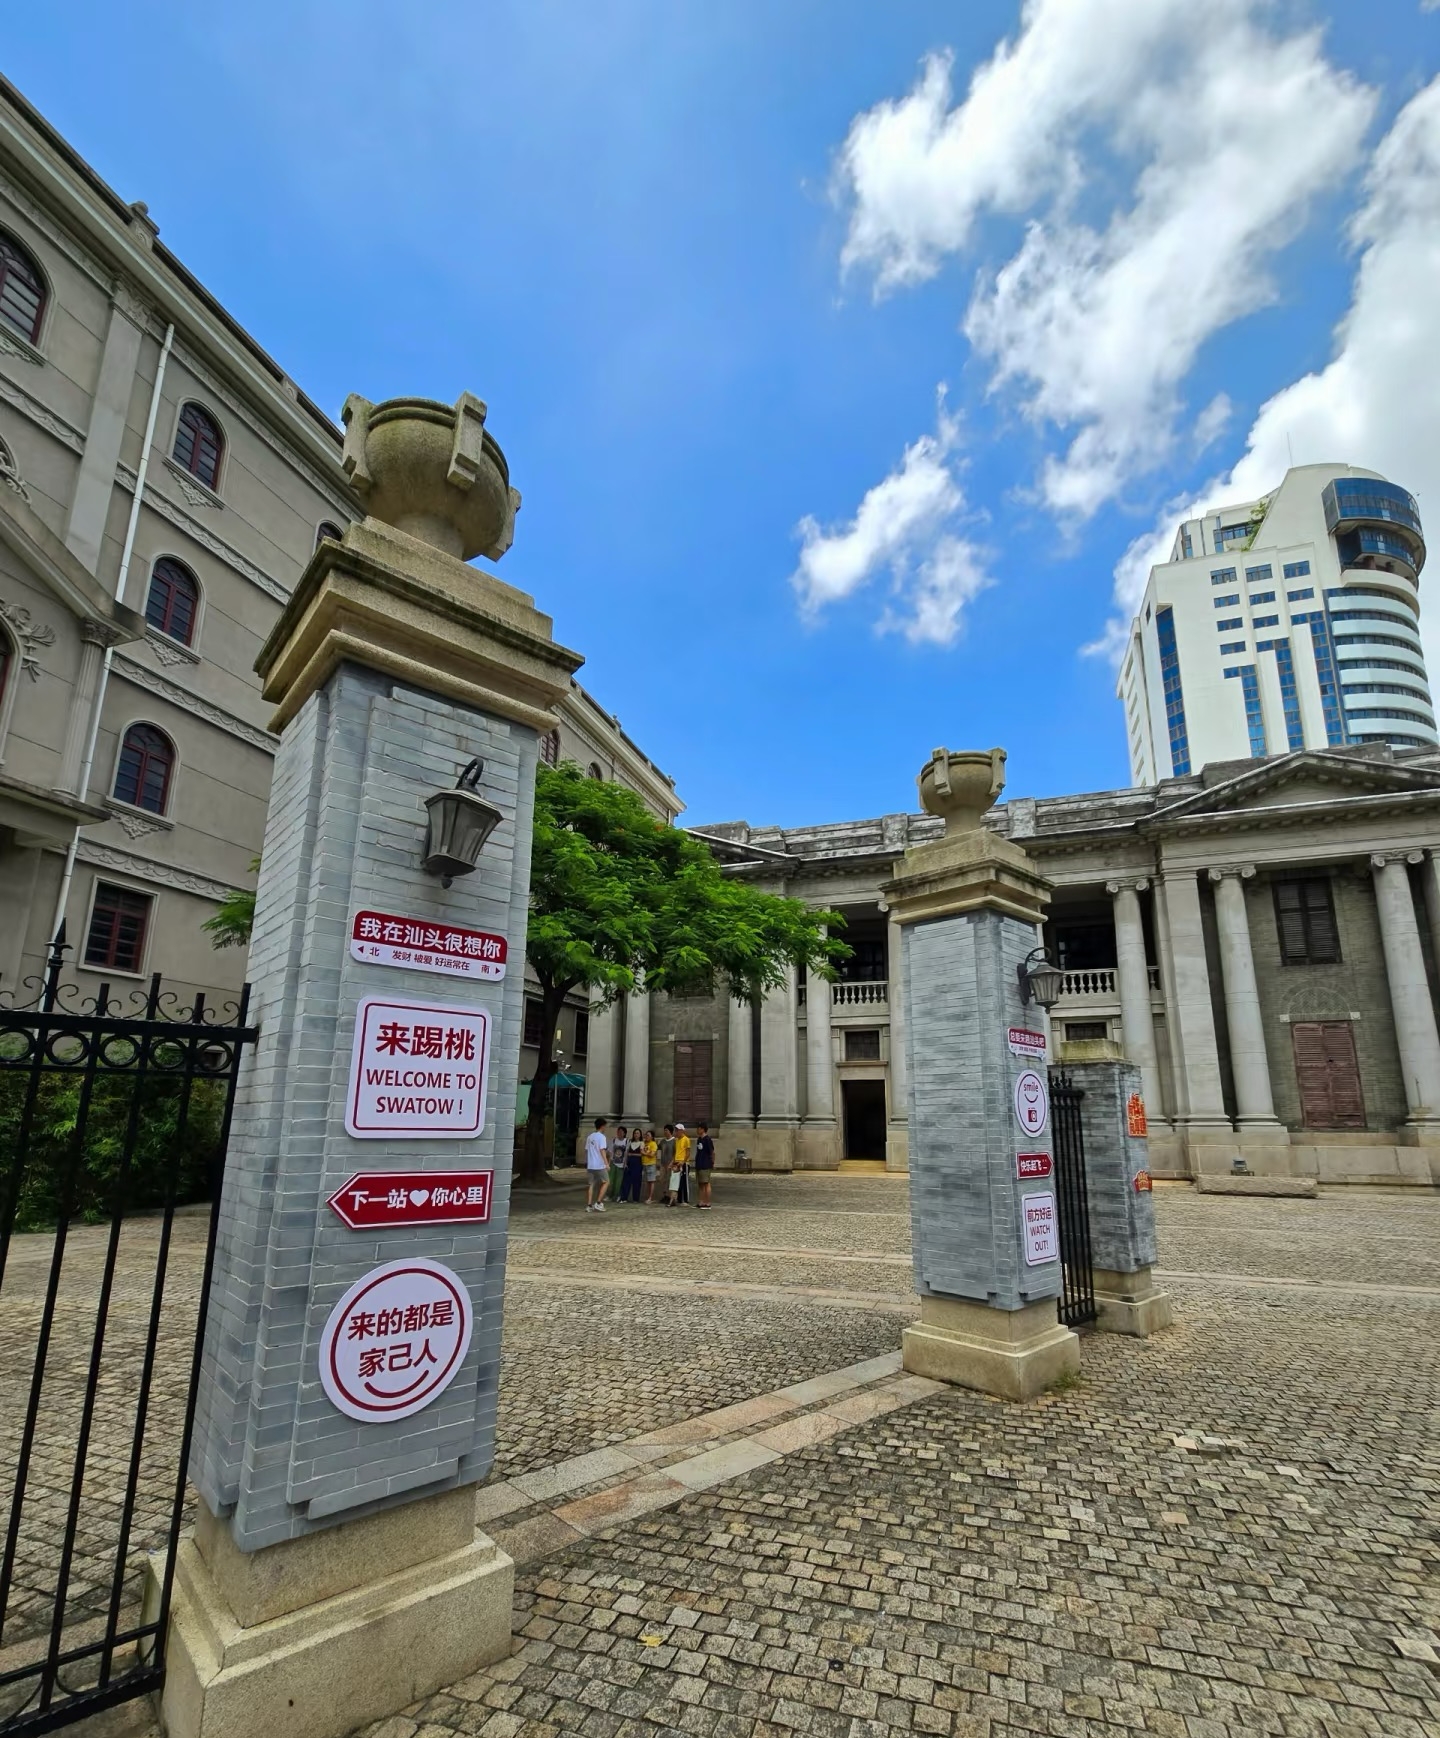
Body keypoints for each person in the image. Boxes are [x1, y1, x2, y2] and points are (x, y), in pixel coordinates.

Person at [584, 1118, 610, 1212]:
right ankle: (598, 1203)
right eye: (605, 1126)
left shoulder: (590, 1137)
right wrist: (606, 1164)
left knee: (591, 1184)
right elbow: (602, 1150)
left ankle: (589, 1205)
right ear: (602, 1126)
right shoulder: (602, 1137)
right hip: (599, 1165)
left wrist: (587, 1162)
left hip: (591, 1165)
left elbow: (587, 1150)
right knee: (606, 1182)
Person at [620, 1125, 643, 1203]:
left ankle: (635, 1198)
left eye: (638, 1133)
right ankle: (624, 1197)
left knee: (636, 1181)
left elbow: (642, 1154)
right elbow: (626, 1153)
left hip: (637, 1163)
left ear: (640, 1135)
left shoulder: (641, 1143)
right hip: (629, 1163)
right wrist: (625, 1163)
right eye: (635, 1133)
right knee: (626, 1181)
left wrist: (632, 1154)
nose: (636, 1135)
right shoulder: (630, 1142)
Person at [695, 1122, 715, 1208]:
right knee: (700, 1183)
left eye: (698, 1128)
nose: (697, 1130)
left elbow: (712, 1152)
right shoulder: (699, 1139)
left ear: (703, 1129)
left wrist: (712, 1162)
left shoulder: (707, 1140)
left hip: (705, 1163)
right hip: (699, 1163)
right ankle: (701, 1201)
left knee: (706, 1183)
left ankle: (708, 1202)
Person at [671, 1122, 692, 1206]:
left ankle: (686, 1200)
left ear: (682, 1130)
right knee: (677, 1182)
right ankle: (679, 1199)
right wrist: (672, 1162)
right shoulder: (676, 1140)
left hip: (684, 1163)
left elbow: (688, 1152)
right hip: (676, 1162)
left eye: (677, 1130)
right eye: (675, 1130)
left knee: (684, 1182)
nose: (676, 1132)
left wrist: (683, 1161)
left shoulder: (686, 1139)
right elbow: (676, 1152)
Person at [657, 1124, 675, 1204]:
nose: (665, 1132)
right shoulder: (663, 1141)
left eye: (666, 1130)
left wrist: (671, 1163)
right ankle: (664, 1195)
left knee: (669, 1180)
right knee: (662, 1180)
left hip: (670, 1164)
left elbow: (675, 1154)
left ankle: (670, 1197)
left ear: (670, 1131)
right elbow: (657, 1147)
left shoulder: (674, 1141)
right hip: (663, 1164)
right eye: (664, 1130)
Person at [610, 1125, 627, 1203]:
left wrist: (625, 1163)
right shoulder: (614, 1140)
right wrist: (609, 1162)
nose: (619, 1133)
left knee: (618, 1182)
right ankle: (610, 1195)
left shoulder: (626, 1141)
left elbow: (626, 1153)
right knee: (611, 1180)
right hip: (614, 1163)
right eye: (618, 1132)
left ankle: (617, 1195)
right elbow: (611, 1152)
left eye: (621, 1132)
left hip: (621, 1164)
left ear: (624, 1133)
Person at [641, 1129, 659, 1203]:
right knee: (647, 1181)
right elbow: (641, 1151)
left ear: (652, 1137)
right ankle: (647, 1197)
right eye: (646, 1135)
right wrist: (645, 1153)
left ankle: (650, 1198)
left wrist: (644, 1153)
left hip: (651, 1164)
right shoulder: (644, 1143)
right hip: (644, 1164)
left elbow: (652, 1154)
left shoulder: (653, 1144)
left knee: (651, 1181)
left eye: (648, 1135)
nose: (646, 1136)